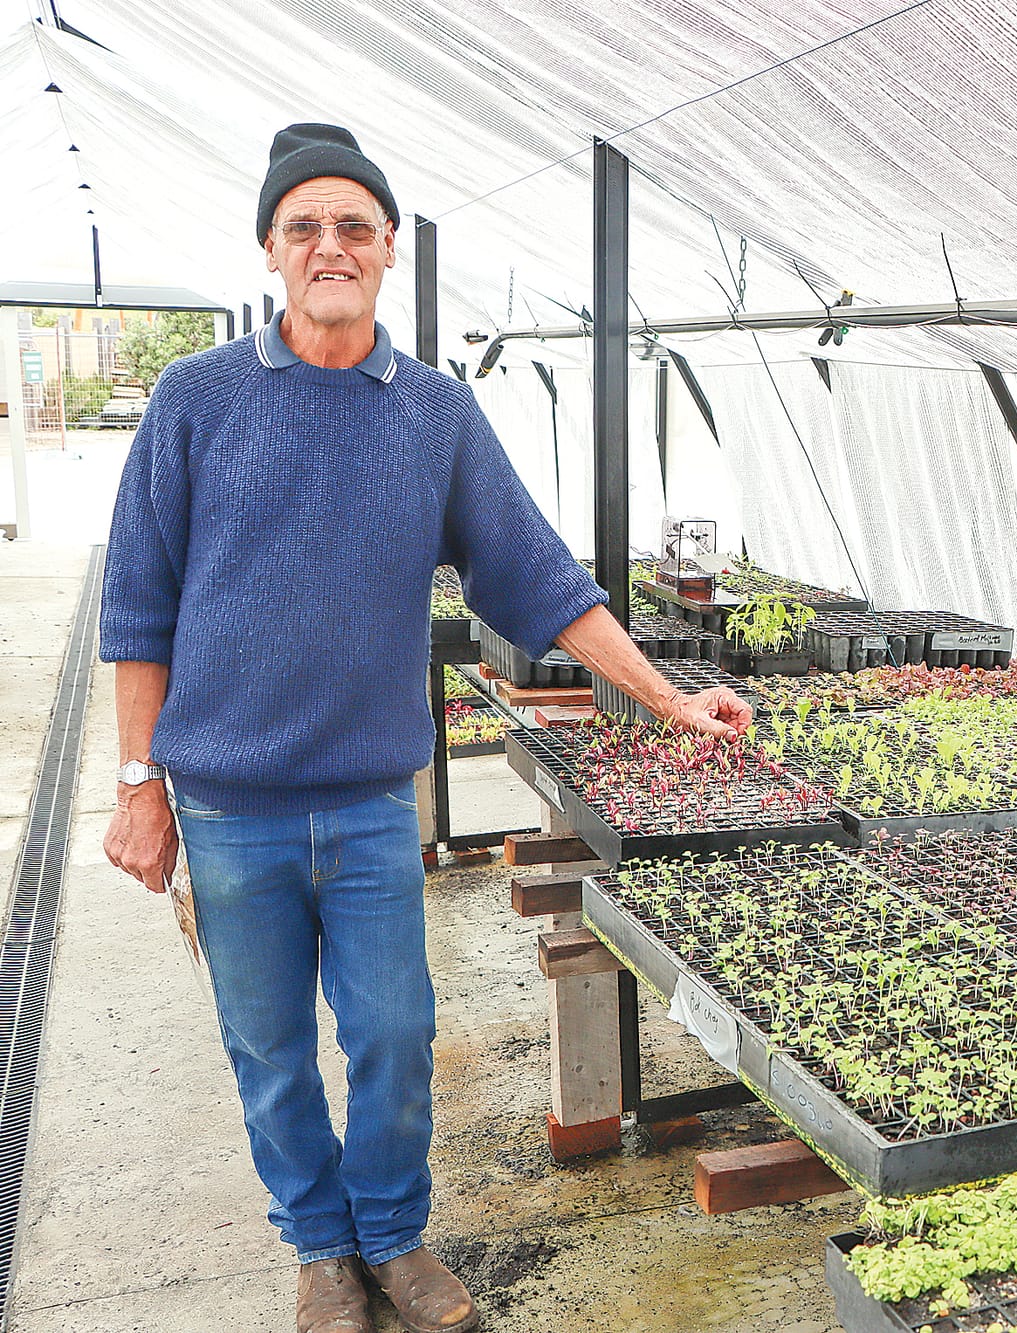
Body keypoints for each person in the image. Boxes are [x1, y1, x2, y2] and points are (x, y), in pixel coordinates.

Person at [98, 123, 751, 1333]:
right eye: (306, 226)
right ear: (270, 249)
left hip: (364, 803)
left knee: (395, 1034)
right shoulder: (198, 399)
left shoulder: (433, 414)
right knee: (272, 1050)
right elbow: (137, 608)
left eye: (354, 225)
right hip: (229, 808)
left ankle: (393, 1236)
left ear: (388, 247)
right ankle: (320, 1250)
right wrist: (139, 785)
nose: (330, 245)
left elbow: (538, 580)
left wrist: (664, 694)